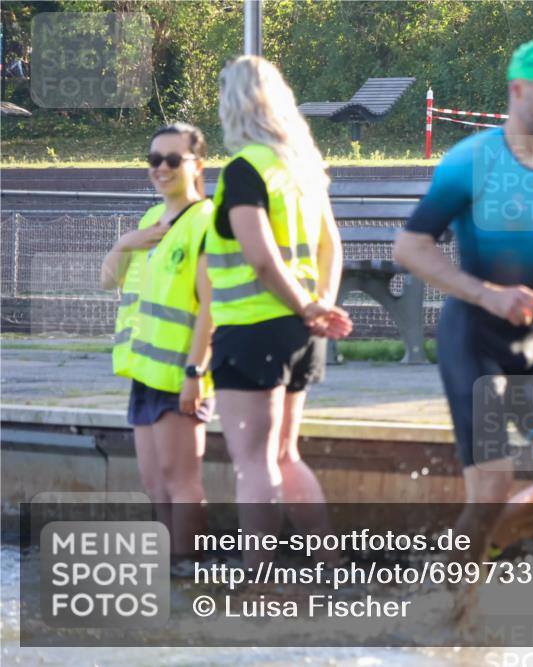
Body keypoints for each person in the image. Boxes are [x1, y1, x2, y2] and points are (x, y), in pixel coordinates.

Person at [393, 37, 533, 606]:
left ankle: (470, 557)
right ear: (517, 89)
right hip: (476, 342)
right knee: (489, 488)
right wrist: (486, 295)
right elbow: (410, 247)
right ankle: (452, 610)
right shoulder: (471, 161)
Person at [205, 56, 352, 567]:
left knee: (253, 462)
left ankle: (258, 575)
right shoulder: (302, 168)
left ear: (233, 105)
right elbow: (332, 245)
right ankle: (331, 565)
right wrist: (320, 307)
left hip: (252, 330)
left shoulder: (245, 170)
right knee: (287, 454)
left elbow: (261, 258)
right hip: (300, 333)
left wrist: (309, 305)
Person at [101, 122, 215, 567]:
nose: (161, 169)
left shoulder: (206, 222)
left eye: (172, 160)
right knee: (155, 484)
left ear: (197, 165)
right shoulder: (150, 220)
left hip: (180, 372)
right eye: (154, 160)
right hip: (145, 371)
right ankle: (171, 572)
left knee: (182, 484)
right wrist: (125, 242)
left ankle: (193, 575)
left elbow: (210, 307)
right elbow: (107, 279)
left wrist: (196, 371)